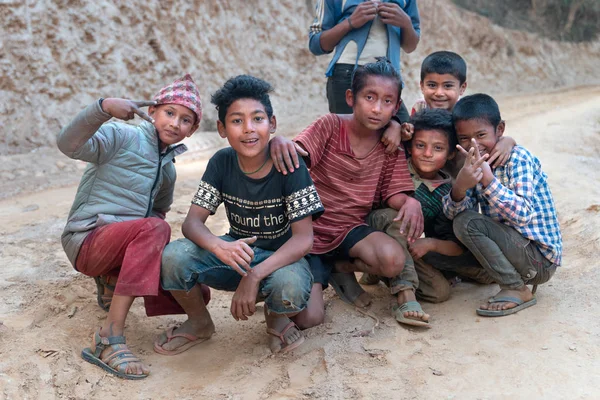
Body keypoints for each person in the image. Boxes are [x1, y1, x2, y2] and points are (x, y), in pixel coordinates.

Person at [156, 75, 324, 355]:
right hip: (238, 254)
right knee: (174, 257)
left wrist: (254, 275)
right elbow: (192, 223)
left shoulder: (290, 165)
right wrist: (219, 246)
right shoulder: (222, 162)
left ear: (272, 123)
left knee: (289, 286)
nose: (248, 129)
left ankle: (277, 319)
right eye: (236, 121)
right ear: (221, 128)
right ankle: (199, 323)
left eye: (257, 119)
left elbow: (304, 240)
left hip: (283, 260)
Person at [57, 74, 209, 379]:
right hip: (86, 240)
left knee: (198, 292)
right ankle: (109, 337)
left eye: (185, 120)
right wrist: (103, 107)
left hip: (115, 243)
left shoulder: (167, 170)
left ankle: (111, 280)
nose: (174, 123)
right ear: (151, 112)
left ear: (191, 130)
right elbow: (67, 144)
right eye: (169, 113)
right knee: (153, 228)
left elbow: (157, 213)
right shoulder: (120, 136)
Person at [270, 58, 430, 328]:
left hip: (350, 231)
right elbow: (298, 155)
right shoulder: (329, 126)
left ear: (397, 106)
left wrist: (411, 201)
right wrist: (280, 141)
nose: (377, 108)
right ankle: (319, 272)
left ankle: (340, 269)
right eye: (369, 97)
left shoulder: (389, 145)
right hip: (308, 234)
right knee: (309, 319)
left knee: (392, 261)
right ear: (350, 97)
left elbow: (393, 195)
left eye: (388, 101)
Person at [443, 94, 562, 316]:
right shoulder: (473, 164)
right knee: (459, 224)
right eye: (465, 139)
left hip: (539, 261)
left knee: (467, 223)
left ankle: (516, 288)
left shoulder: (518, 159)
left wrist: (488, 181)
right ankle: (506, 279)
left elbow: (523, 214)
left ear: (500, 130)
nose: (474, 145)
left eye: (481, 135)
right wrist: (459, 188)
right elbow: (452, 214)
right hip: (515, 252)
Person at [364, 109, 495, 303]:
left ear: (451, 153)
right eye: (420, 145)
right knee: (394, 216)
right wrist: (396, 125)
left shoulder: (447, 194)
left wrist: (430, 244)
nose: (427, 154)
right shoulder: (396, 164)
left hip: (408, 246)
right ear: (409, 146)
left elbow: (457, 245)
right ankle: (399, 285)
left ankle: (380, 270)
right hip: (375, 232)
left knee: (440, 292)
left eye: (438, 148)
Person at [309, 0, 421, 152]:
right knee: (349, 147)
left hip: (388, 79)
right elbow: (316, 44)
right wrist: (350, 22)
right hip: (347, 77)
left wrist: (406, 22)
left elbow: (410, 46)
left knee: (407, 139)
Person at [401, 51, 516, 175]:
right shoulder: (419, 108)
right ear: (422, 86)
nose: (439, 93)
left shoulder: (465, 114)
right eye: (432, 85)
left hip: (461, 170)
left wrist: (508, 141)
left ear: (462, 88)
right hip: (429, 168)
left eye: (448, 86)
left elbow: (488, 134)